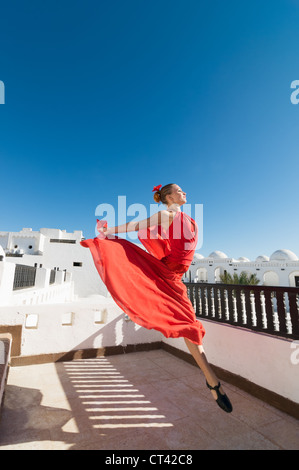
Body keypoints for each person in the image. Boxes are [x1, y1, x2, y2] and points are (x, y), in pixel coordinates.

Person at [81, 183, 232, 413]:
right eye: (180, 191)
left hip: (175, 277)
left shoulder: (187, 219)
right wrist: (109, 230)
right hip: (168, 274)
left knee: (188, 326)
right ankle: (212, 381)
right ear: (169, 196)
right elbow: (135, 225)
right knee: (188, 325)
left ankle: (211, 381)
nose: (185, 193)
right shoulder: (166, 214)